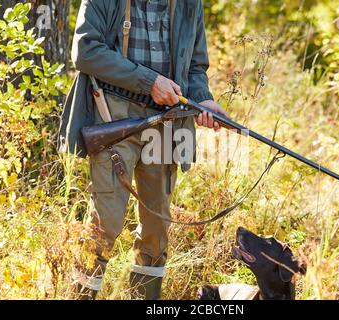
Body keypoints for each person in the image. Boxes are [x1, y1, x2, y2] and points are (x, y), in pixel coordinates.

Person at [58, 0, 229, 300]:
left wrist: (203, 100)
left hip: (166, 123)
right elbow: (85, 51)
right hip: (113, 115)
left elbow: (195, 66)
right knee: (105, 225)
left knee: (157, 228)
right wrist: (149, 82)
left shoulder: (190, 4)